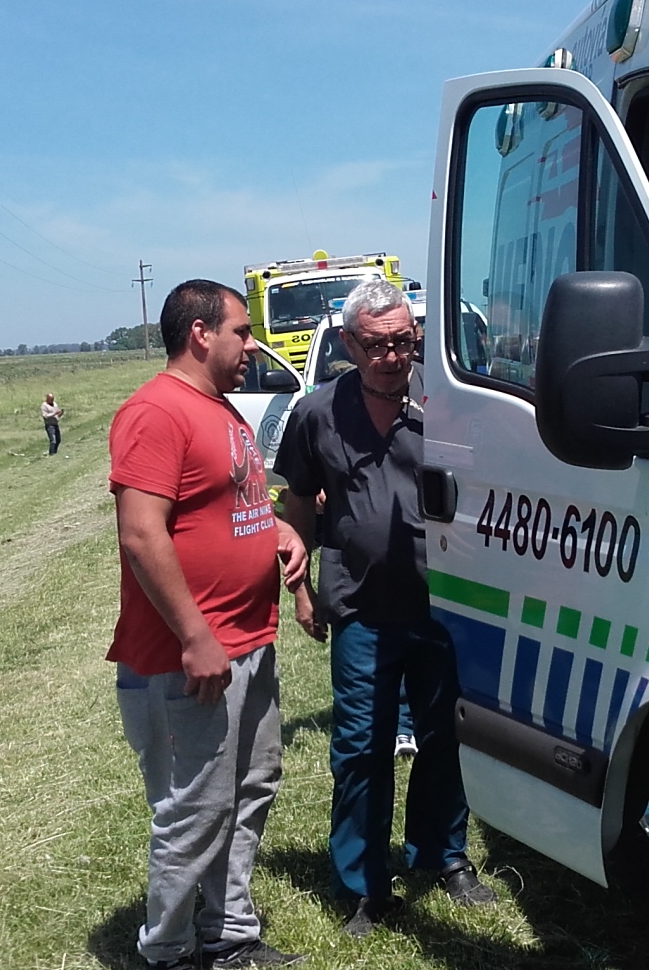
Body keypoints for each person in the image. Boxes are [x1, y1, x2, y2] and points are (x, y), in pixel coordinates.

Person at [274, 277, 496, 938]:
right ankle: (365, 884)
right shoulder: (318, 412)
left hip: (445, 605)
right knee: (360, 749)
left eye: (402, 341)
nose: (392, 356)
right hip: (361, 608)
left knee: (443, 736)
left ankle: (442, 857)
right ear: (349, 344)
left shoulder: (448, 403)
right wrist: (303, 589)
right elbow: (297, 506)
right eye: (376, 345)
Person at [108, 279, 310, 970]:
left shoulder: (220, 408)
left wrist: (278, 528)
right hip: (191, 656)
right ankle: (168, 951)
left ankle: (229, 934)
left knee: (250, 790)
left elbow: (228, 504)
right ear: (201, 334)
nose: (253, 346)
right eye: (243, 331)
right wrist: (196, 635)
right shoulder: (155, 413)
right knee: (193, 808)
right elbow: (141, 534)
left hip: (248, 643)